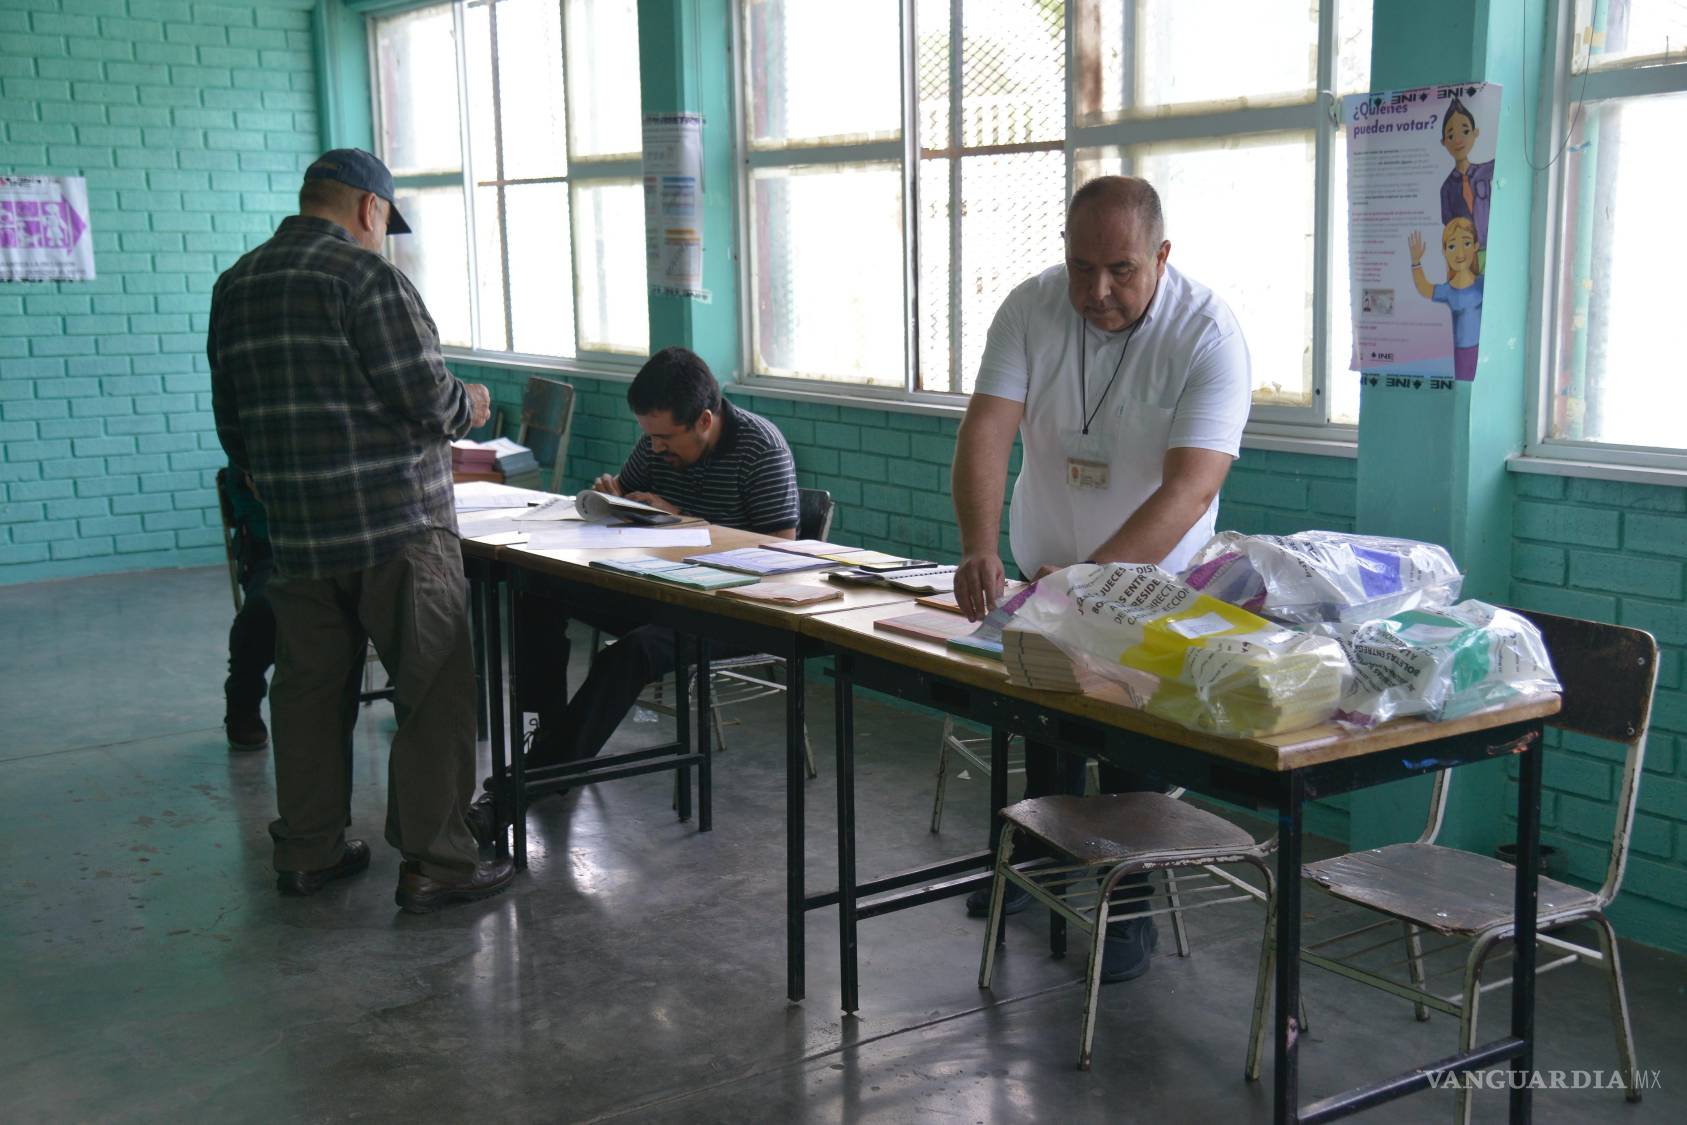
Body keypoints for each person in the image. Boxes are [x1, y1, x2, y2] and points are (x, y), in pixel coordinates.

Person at [949, 175, 1251, 982]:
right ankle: (1033, 867)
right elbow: (986, 429)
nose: (1097, 290)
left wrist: (1090, 580)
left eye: (1120, 269)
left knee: (1126, 752)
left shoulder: (1208, 334)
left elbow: (1188, 487)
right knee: (1042, 731)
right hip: (1040, 568)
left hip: (1153, 587)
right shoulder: (1030, 307)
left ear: (1160, 254)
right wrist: (977, 541)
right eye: (1081, 267)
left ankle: (1128, 911)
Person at [210, 147, 514, 914]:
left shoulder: (236, 283)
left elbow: (232, 424)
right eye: (385, 223)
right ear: (370, 210)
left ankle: (310, 852)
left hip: (300, 538)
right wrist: (469, 401)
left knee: (309, 694)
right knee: (434, 689)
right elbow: (424, 396)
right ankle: (438, 861)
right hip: (398, 531)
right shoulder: (368, 277)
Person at [470, 346, 800, 841]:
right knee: (535, 593)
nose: (656, 449)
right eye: (650, 437)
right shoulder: (658, 441)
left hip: (736, 610)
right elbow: (629, 492)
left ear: (705, 420)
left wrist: (682, 517)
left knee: (632, 653)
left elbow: (783, 553)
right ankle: (552, 741)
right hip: (664, 591)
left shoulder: (760, 448)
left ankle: (517, 790)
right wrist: (615, 500)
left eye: (666, 439)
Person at [223, 467, 275, 752]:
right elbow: (253, 517)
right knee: (262, 611)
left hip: (352, 544)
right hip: (272, 547)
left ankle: (407, 689)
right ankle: (244, 705)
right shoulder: (249, 447)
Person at [1408, 218, 1484, 382]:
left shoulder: (1483, 284)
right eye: (1452, 246)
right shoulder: (1447, 291)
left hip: (1484, 350)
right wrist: (1416, 262)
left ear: (1476, 247)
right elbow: (1424, 288)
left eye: (1466, 243)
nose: (1460, 252)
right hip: (1460, 354)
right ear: (1444, 252)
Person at [1436, 98, 1493, 253]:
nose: (1458, 140)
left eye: (1465, 131)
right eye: (1451, 136)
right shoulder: (1446, 188)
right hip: (1465, 258)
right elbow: (1450, 229)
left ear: (1475, 133)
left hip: (1492, 250)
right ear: (1444, 142)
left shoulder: (1488, 171)